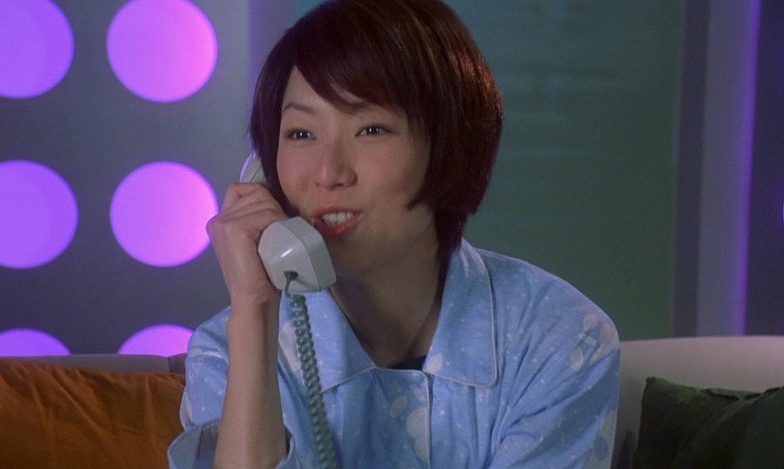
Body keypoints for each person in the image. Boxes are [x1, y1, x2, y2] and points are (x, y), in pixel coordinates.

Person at [168, 0, 620, 467]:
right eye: (301, 134)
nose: (328, 173)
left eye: (372, 129)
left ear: (449, 146)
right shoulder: (230, 350)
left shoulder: (557, 338)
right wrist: (255, 313)